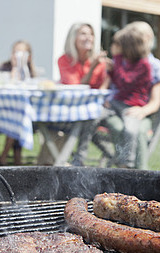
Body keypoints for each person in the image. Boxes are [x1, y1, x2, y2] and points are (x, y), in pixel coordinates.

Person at [37, 22, 107, 165]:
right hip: (70, 112)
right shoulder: (64, 60)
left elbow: (104, 87)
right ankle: (58, 161)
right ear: (73, 38)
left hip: (96, 111)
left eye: (91, 34)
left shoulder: (100, 61)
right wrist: (93, 67)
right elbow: (76, 87)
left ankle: (76, 160)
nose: (88, 37)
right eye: (83, 34)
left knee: (89, 117)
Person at [100, 23, 153, 169]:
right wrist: (110, 71)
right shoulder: (126, 63)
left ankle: (126, 163)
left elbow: (126, 81)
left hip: (132, 106)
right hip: (117, 103)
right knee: (93, 116)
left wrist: (116, 58)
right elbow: (118, 82)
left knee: (130, 129)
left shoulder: (144, 65)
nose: (117, 48)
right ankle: (81, 153)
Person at [0, 40, 36, 165]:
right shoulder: (4, 68)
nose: (17, 56)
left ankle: (9, 158)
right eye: (15, 52)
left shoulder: (29, 73)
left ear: (28, 57)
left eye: (21, 53)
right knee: (16, 118)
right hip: (3, 111)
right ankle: (8, 158)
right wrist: (11, 76)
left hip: (24, 113)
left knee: (19, 117)